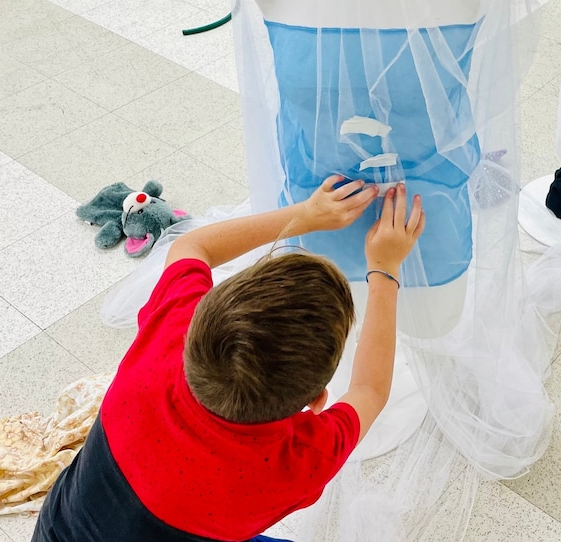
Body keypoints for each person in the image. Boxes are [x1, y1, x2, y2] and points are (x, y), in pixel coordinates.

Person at [32, 176, 424, 542]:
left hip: (59, 530)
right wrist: (387, 269)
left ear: (198, 321)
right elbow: (370, 390)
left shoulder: (165, 339)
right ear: (318, 399)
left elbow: (191, 247)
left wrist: (303, 215)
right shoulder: (300, 463)